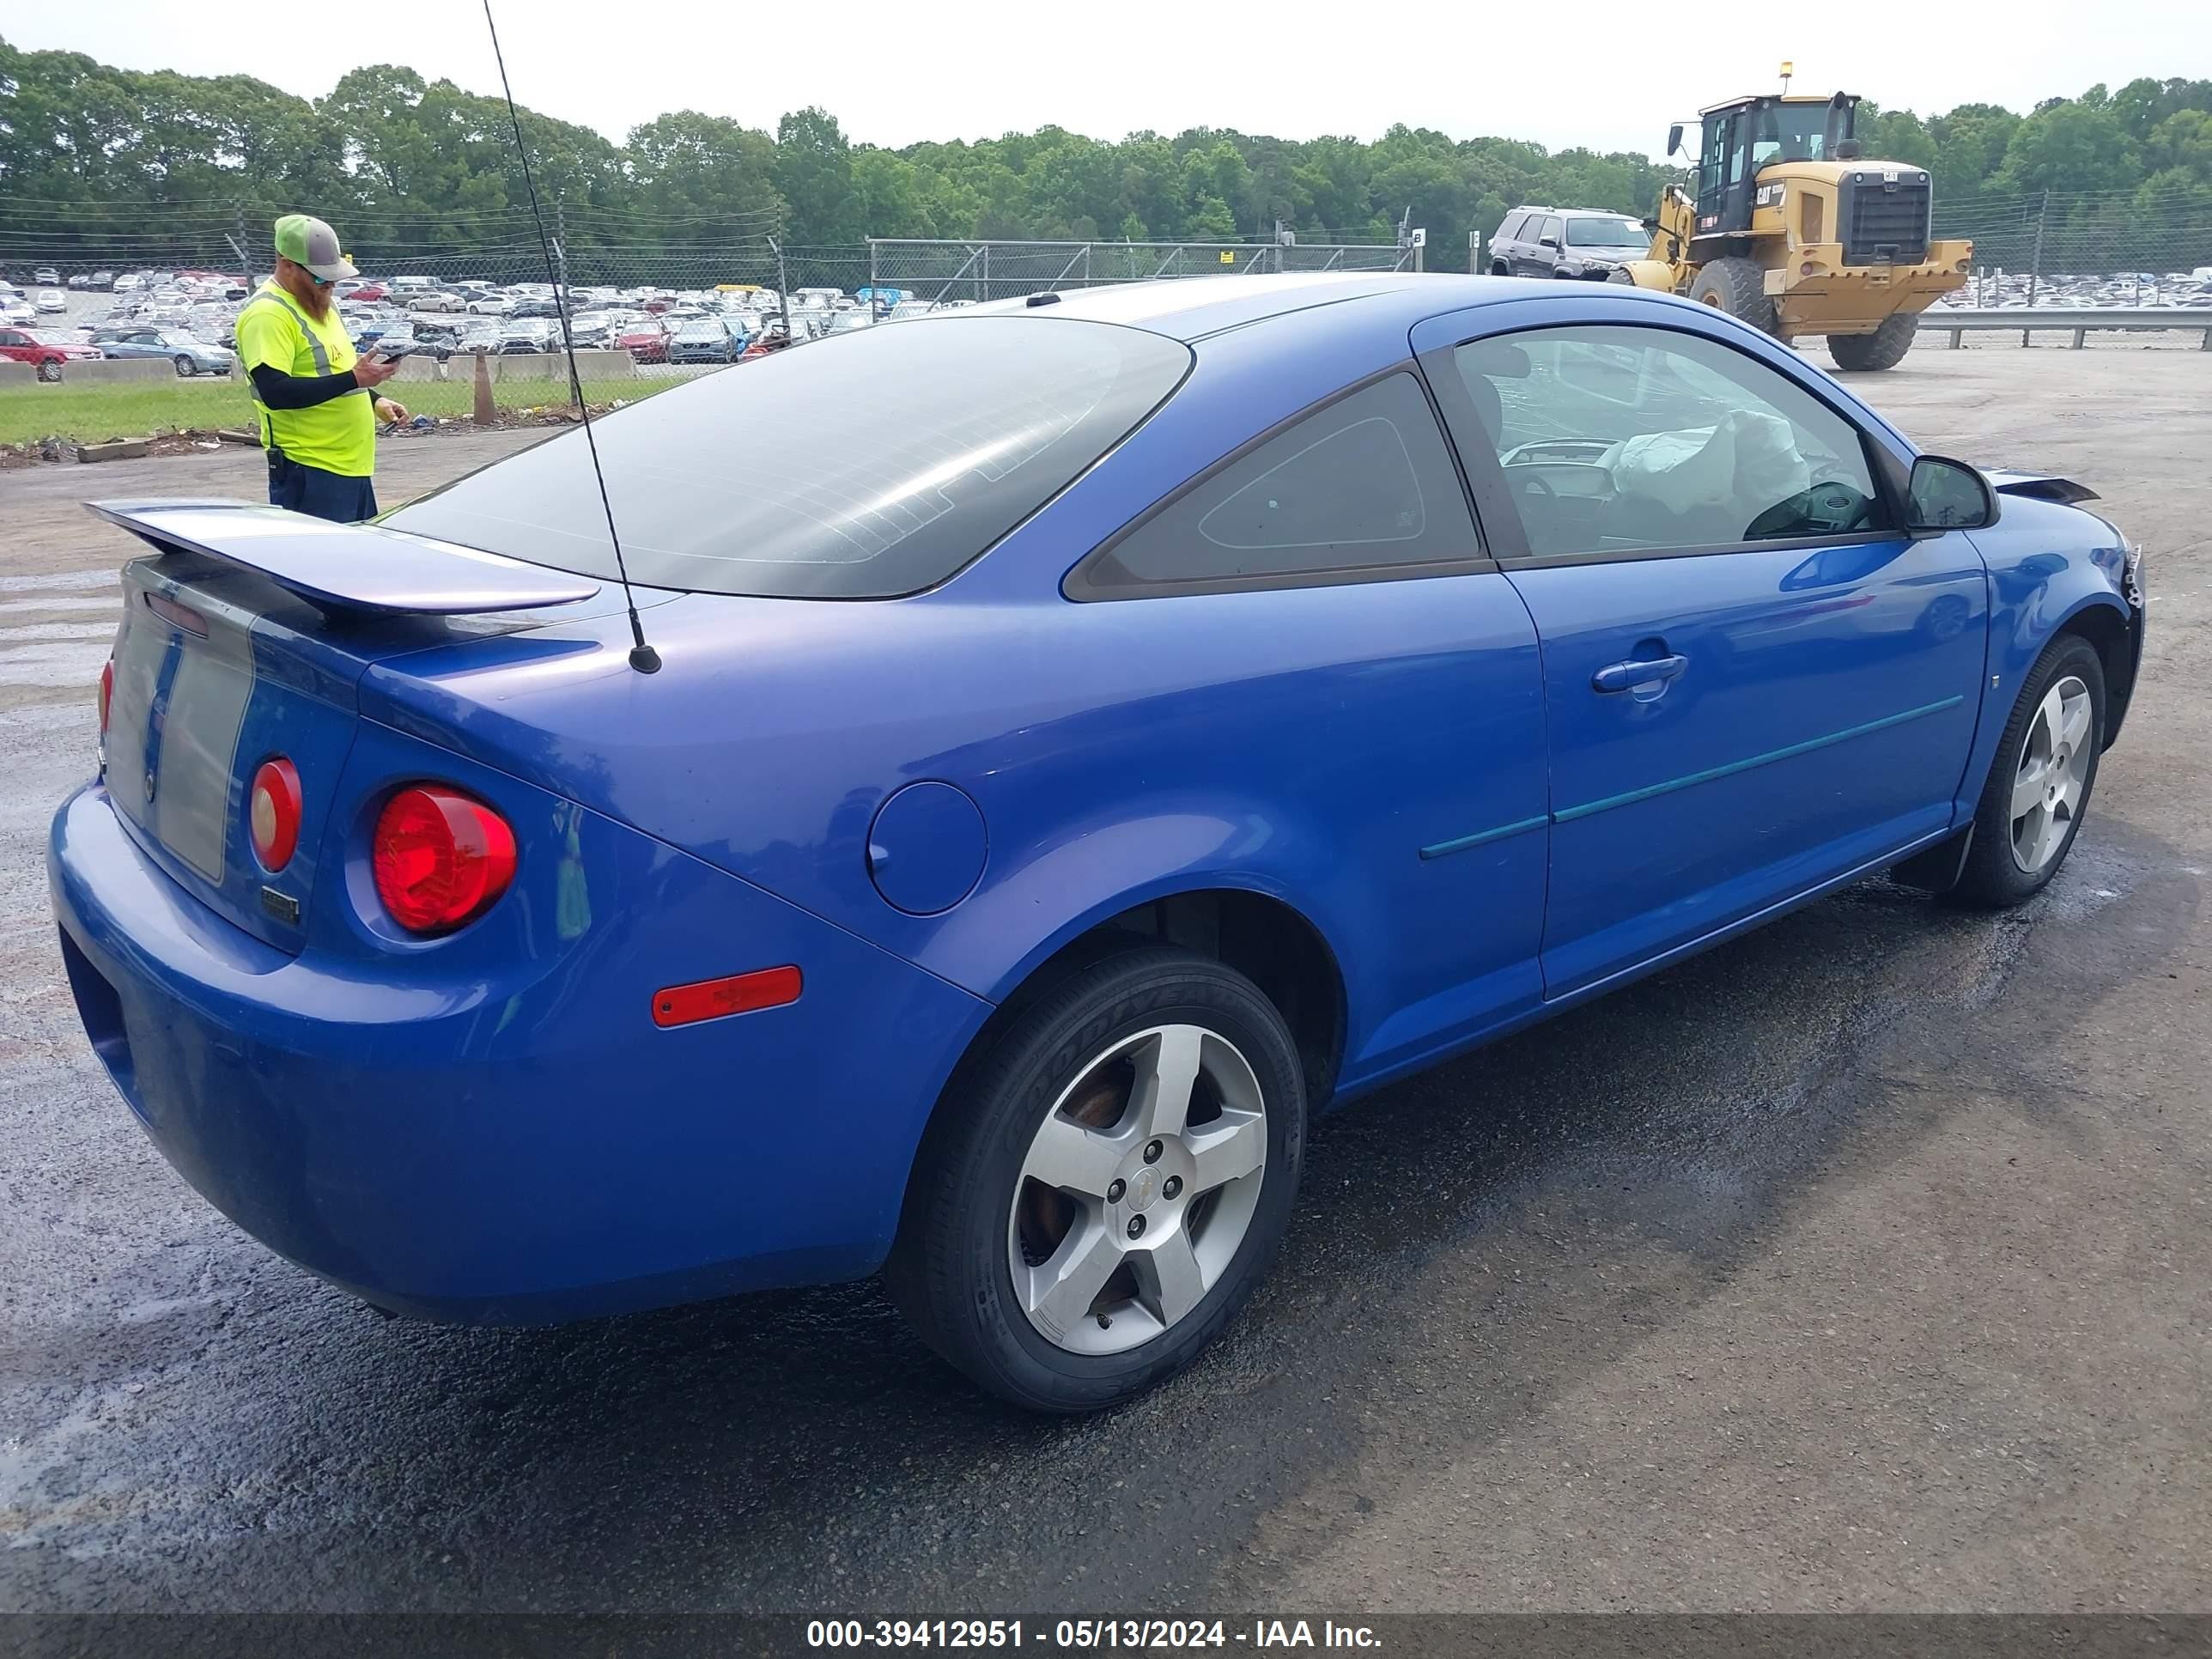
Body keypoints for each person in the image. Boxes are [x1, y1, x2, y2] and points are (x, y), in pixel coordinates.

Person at [234, 214, 408, 523]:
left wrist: (374, 399)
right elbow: (275, 391)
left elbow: (331, 373)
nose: (329, 285)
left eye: (333, 277)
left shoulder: (319, 304)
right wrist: (356, 378)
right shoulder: (269, 315)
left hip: (350, 465)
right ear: (287, 266)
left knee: (355, 564)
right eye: (319, 277)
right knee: (321, 566)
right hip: (309, 469)